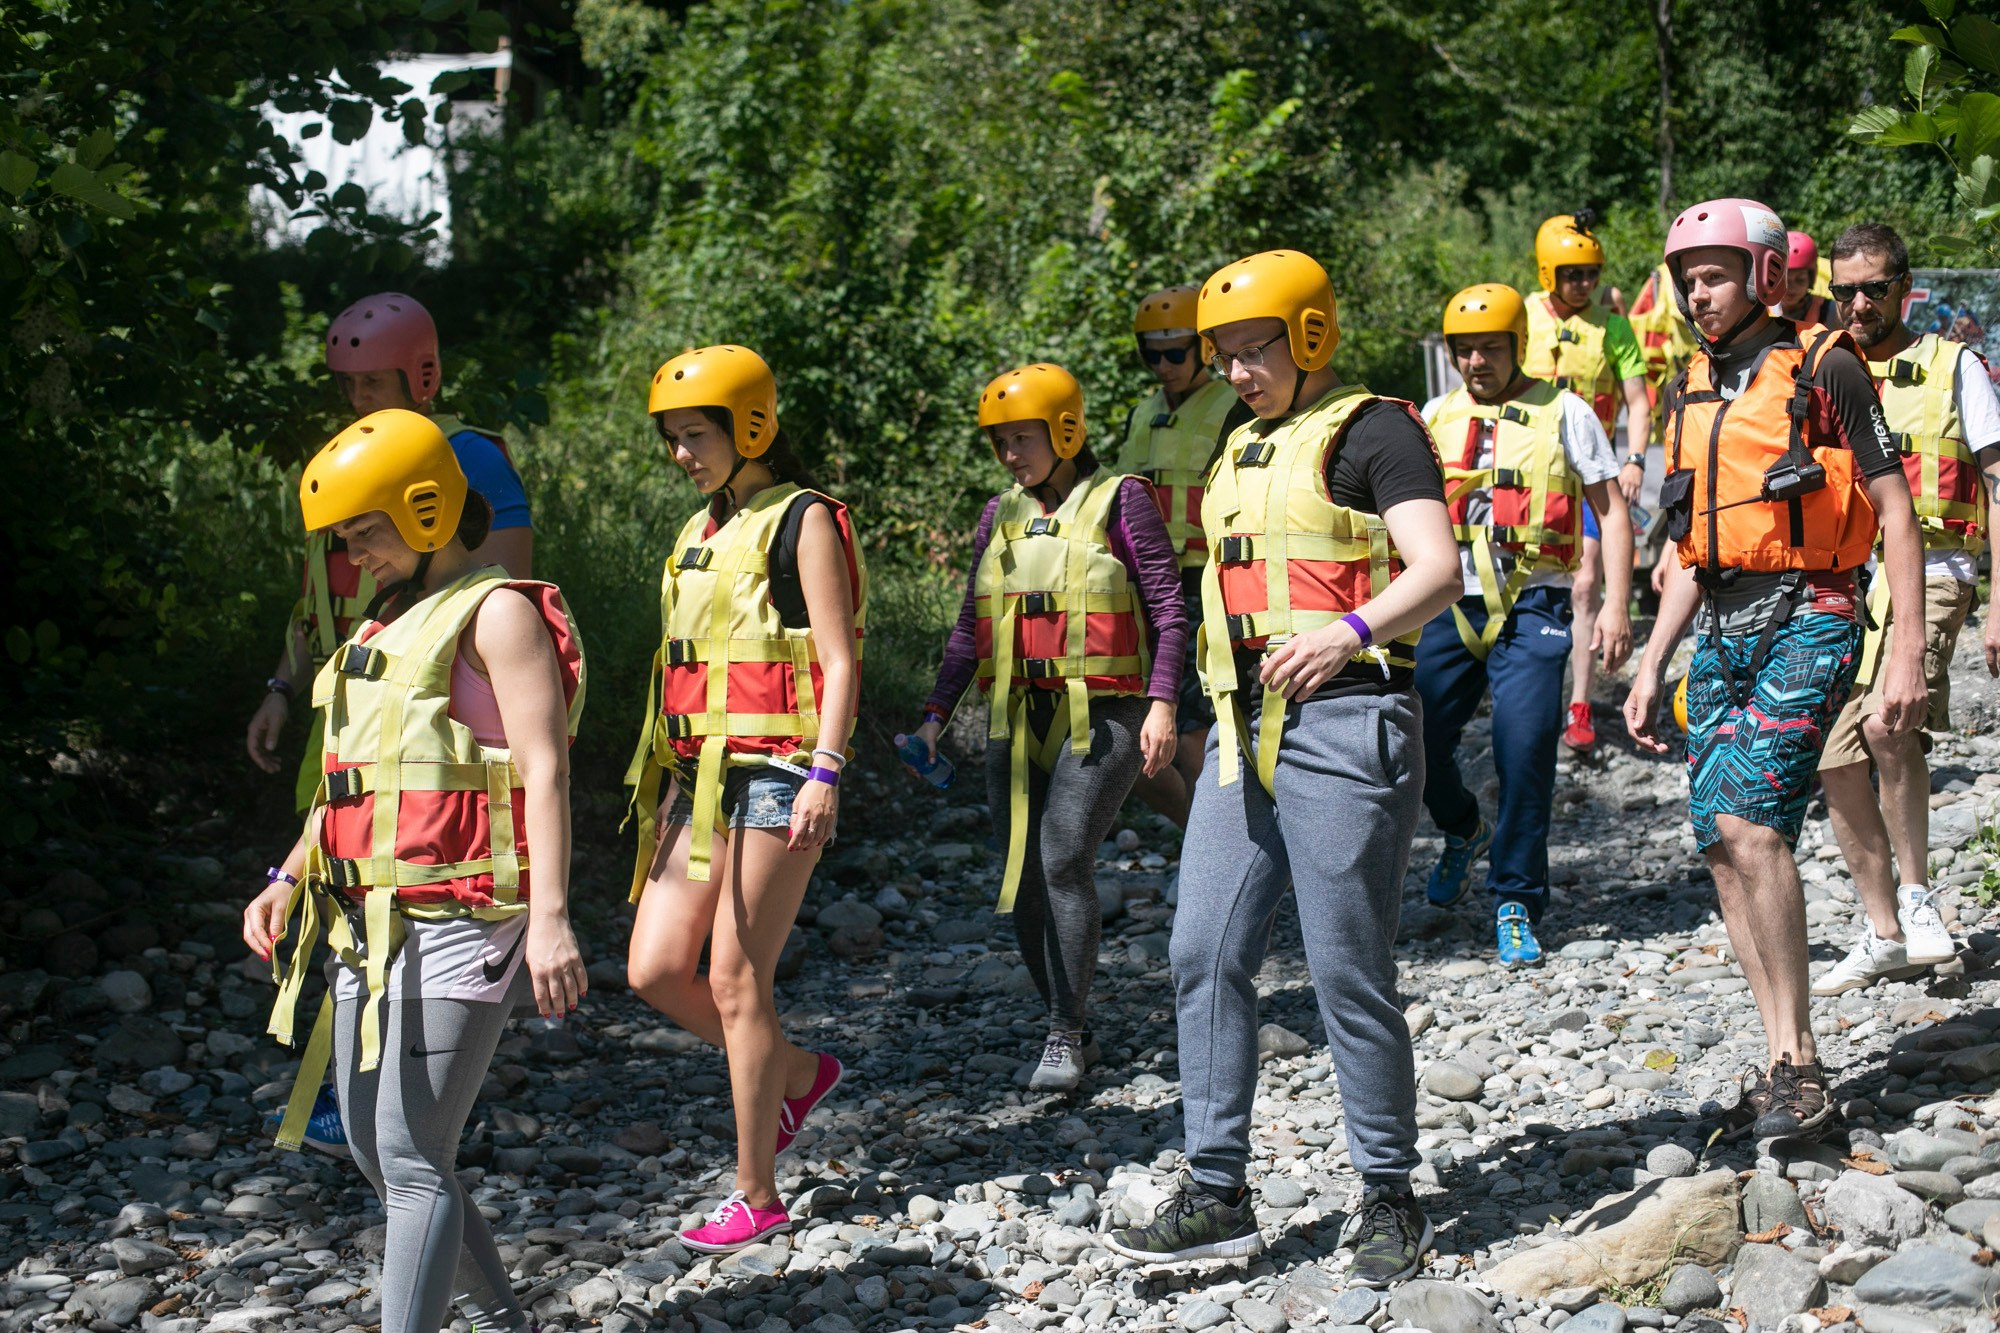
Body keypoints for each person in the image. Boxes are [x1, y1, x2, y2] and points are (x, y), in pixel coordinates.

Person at [1107, 250, 1460, 1282]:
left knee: (1347, 969)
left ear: (1306, 337)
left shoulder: (1376, 430)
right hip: (1238, 727)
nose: (1232, 371)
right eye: (1221, 356)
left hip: (1347, 722)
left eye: (1249, 350)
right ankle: (1217, 1190)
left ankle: (1390, 1194)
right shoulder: (1240, 442)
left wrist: (1348, 631)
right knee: (1200, 951)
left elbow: (1436, 567)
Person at [245, 408, 588, 1333]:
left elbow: (546, 768)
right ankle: (500, 1321)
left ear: (428, 507)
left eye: (367, 531)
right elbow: (348, 784)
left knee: (407, 1155)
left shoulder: (499, 611)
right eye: (346, 539)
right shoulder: (380, 626)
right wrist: (288, 875)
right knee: (375, 1145)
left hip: (466, 913)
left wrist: (552, 917)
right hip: (370, 919)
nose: (356, 555)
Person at [1625, 199, 1927, 1142]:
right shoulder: (1689, 388)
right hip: (1719, 621)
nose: (1698, 293)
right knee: (1719, 841)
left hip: (1813, 610)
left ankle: (1801, 1066)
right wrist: (1648, 661)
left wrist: (1905, 646)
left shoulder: (1826, 364)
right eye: (1687, 278)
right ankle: (1777, 1057)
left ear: (1763, 273)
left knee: (1754, 822)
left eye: (1714, 274)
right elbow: (1689, 544)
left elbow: (1898, 511)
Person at [243, 292, 539, 1158]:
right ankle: (359, 1094)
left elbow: (498, 594)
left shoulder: (469, 461)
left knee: (405, 902)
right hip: (349, 710)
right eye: (349, 386)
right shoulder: (344, 467)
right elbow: (317, 601)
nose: (361, 401)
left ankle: (392, 1101)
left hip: (423, 724)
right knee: (336, 889)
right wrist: (281, 687)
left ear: (422, 373)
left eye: (375, 383)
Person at [623, 345, 863, 1254]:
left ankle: (756, 1191)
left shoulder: (804, 518)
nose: (681, 454)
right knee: (652, 969)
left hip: (780, 774)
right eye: (672, 439)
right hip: (698, 778)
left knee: (734, 977)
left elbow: (840, 658)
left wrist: (827, 771)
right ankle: (796, 1073)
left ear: (750, 426)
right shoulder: (701, 528)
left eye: (695, 436)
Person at [913, 363, 1184, 1091]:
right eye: (999, 441)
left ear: (1065, 430)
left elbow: (1167, 607)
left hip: (1109, 709)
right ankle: (1072, 1018)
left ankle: (1062, 1033)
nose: (1009, 454)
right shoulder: (997, 514)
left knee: (1064, 854)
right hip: (1019, 714)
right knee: (1022, 875)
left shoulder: (1123, 500)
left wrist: (1163, 702)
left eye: (1022, 438)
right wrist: (936, 716)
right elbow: (973, 629)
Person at [1416, 284, 1634, 966]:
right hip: (1447, 601)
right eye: (1464, 350)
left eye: (1490, 347)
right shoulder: (1432, 414)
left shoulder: (1566, 412)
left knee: (1525, 752)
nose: (1476, 361)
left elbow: (1616, 510)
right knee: (1414, 744)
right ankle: (1462, 827)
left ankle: (1515, 898)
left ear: (1517, 346)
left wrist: (1618, 604)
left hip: (1532, 601)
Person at [1813, 223, 1999, 993]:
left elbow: (1995, 480)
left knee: (1891, 724)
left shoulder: (1955, 365)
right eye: (1844, 290)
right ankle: (1883, 927)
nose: (1858, 303)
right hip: (1845, 575)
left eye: (1874, 288)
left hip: (1937, 564)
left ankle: (1919, 899)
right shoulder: (1822, 369)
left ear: (1905, 287)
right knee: (1833, 756)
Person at [1114, 285, 1253, 827]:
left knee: (1195, 720)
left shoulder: (1234, 404)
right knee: (1136, 722)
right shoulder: (1141, 414)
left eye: (1176, 352)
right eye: (1152, 354)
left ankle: (1219, 839)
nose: (1164, 365)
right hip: (1142, 585)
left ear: (1202, 347)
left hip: (1206, 580)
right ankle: (1203, 838)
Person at [1524, 214, 1652, 752]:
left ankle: (1579, 704)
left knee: (1584, 580)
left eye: (1591, 274)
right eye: (1572, 274)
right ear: (1549, 271)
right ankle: (1521, 688)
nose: (1583, 284)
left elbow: (1639, 401)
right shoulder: (1521, 315)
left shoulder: (1615, 328)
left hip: (1590, 472)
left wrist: (1636, 459)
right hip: (1530, 469)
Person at [1777, 231, 1840, 328]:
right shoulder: (1760, 310)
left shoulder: (1831, 311)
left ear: (1810, 279)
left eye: (1800, 280)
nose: (1792, 289)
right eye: (1785, 280)